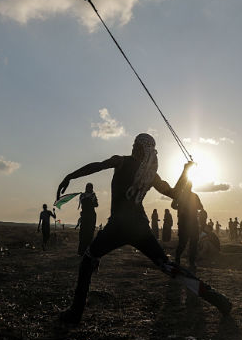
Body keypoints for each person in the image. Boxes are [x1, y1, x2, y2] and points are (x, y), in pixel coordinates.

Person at [56, 134, 230, 324]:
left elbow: (96, 166)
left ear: (138, 148)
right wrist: (185, 171)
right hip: (140, 227)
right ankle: (218, 300)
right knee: (167, 265)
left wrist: (70, 176)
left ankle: (75, 313)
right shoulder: (151, 176)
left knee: (88, 260)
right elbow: (173, 193)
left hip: (118, 227)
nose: (132, 147)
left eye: (135, 144)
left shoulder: (121, 162)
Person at [173, 180, 203, 271]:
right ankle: (185, 261)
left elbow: (173, 205)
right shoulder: (191, 195)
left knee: (187, 243)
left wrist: (181, 207)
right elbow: (200, 207)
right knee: (188, 243)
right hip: (188, 222)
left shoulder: (183, 195)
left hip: (188, 222)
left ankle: (186, 261)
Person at [77, 183, 99, 255]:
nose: (90, 188)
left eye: (90, 187)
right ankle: (82, 251)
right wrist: (89, 198)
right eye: (88, 187)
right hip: (85, 216)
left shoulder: (92, 195)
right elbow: (82, 203)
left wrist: (91, 198)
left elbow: (96, 205)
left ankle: (88, 251)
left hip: (91, 216)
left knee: (90, 233)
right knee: (83, 233)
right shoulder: (83, 195)